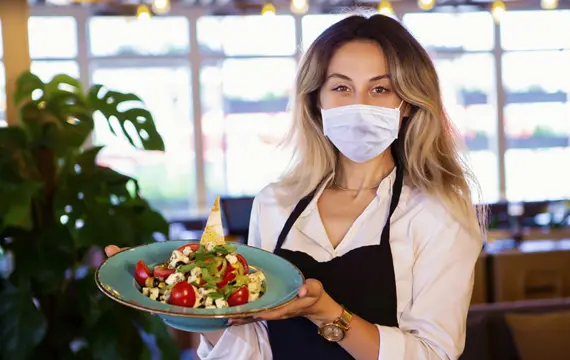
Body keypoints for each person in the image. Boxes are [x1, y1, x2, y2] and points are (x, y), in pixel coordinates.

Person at [106, 13, 485, 360]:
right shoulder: (276, 203)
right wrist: (188, 301)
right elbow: (256, 347)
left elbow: (434, 353)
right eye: (340, 88)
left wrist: (328, 313)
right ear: (316, 100)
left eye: (380, 89)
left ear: (407, 104)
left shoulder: (437, 209)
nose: (358, 104)